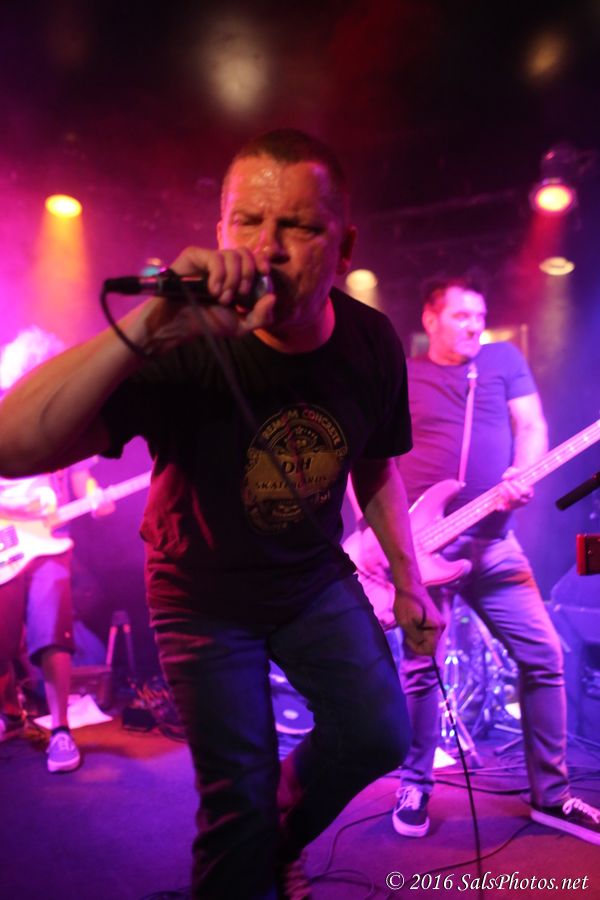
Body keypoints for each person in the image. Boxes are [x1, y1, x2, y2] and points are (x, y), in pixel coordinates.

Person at [0, 130, 443, 899]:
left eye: (298, 226)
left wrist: (408, 581)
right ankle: (252, 849)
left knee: (380, 731)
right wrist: (148, 325)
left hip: (309, 579)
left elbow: (376, 464)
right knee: (236, 806)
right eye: (247, 222)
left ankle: (277, 836)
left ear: (344, 246)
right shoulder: (184, 344)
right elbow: (10, 446)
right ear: (219, 232)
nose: (267, 248)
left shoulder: (370, 341)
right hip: (199, 594)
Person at [387, 278, 600, 845]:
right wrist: (381, 535)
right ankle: (415, 784)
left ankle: (551, 795)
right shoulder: (403, 373)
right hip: (424, 545)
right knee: (421, 668)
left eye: (479, 316)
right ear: (430, 320)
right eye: (460, 316)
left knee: (545, 655)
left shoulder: (502, 360)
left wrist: (521, 472)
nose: (473, 325)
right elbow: (373, 457)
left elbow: (531, 426)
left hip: (494, 541)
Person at [0, 327, 113, 773]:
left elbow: (81, 473)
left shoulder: (64, 418)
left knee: (53, 631)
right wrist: (14, 505)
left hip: (50, 541)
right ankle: (10, 711)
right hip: (7, 542)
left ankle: (61, 729)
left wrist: (95, 494)